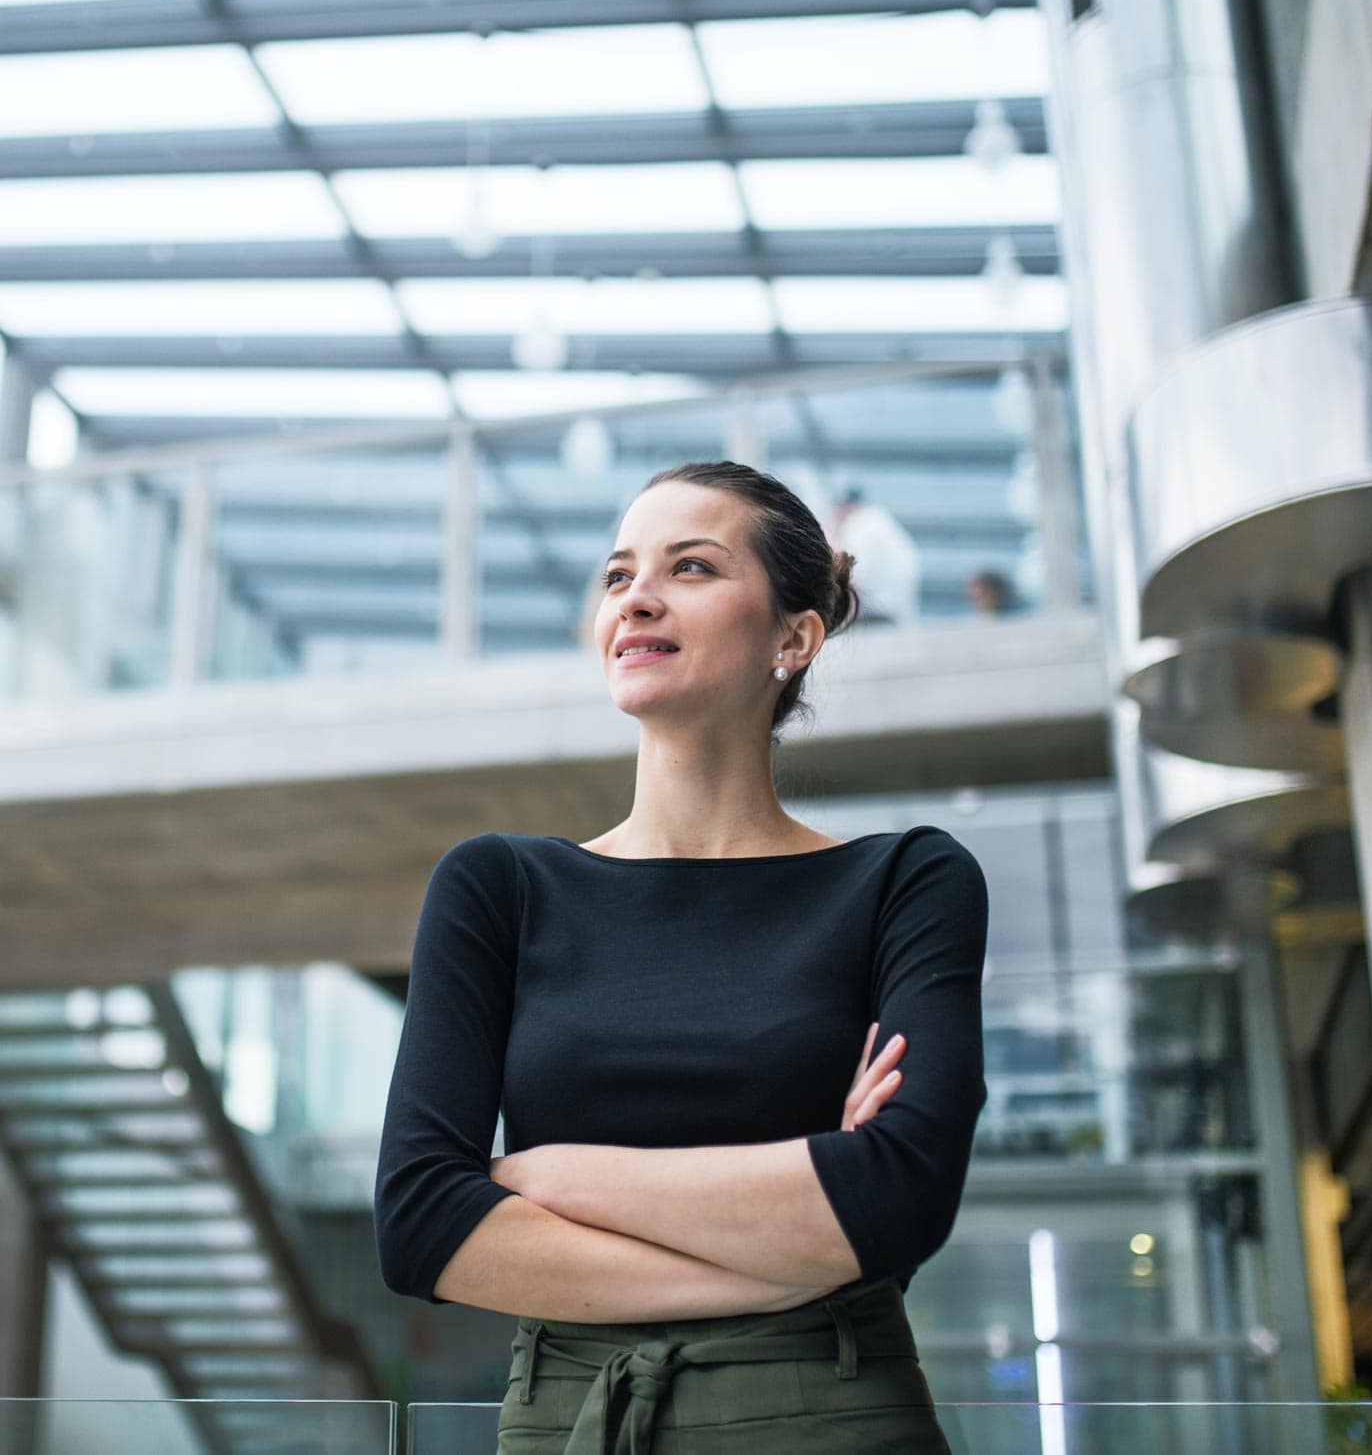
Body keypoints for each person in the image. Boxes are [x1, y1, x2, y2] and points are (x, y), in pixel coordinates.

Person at [373, 459, 990, 1452]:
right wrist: (806, 1244)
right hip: (574, 1415)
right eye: (619, 575)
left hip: (830, 1415)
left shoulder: (904, 882)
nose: (638, 598)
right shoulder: (498, 888)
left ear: (796, 636)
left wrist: (545, 1173)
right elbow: (419, 1224)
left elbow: (902, 1193)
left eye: (691, 567)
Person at [826, 485, 922, 626]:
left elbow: (854, 578)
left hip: (878, 617)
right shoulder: (880, 519)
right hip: (899, 614)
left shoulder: (859, 526)